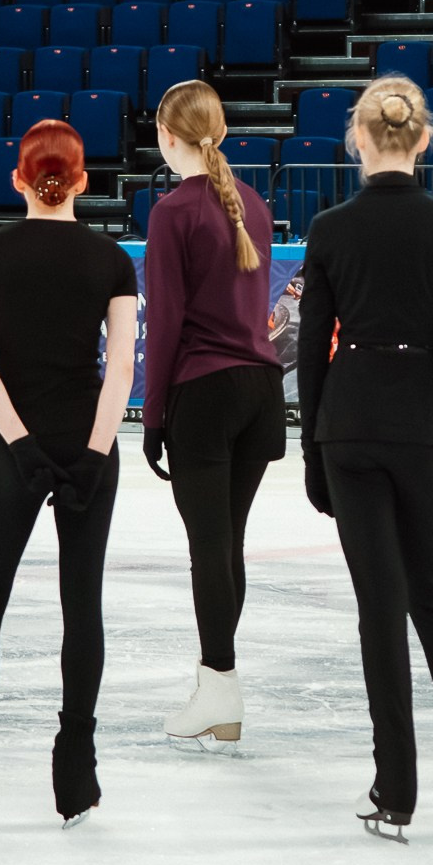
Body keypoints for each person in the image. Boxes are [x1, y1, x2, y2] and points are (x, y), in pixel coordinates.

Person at [296, 77, 433, 841]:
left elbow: (312, 348)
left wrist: (311, 444)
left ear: (359, 139)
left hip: (350, 423)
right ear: (423, 140)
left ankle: (397, 788)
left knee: (381, 611)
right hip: (427, 420)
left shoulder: (329, 227)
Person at [0, 121, 137, 828]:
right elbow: (123, 371)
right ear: (83, 180)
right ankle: (77, 772)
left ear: (19, 179)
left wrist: (20, 446)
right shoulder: (111, 258)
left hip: (13, 454)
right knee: (83, 607)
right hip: (88, 448)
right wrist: (96, 455)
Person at [140, 80, 286, 745]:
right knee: (227, 542)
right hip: (260, 391)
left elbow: (166, 323)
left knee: (210, 547)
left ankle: (219, 686)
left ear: (170, 136)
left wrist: (153, 412)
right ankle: (217, 691)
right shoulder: (251, 202)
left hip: (206, 390)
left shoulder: (173, 211)